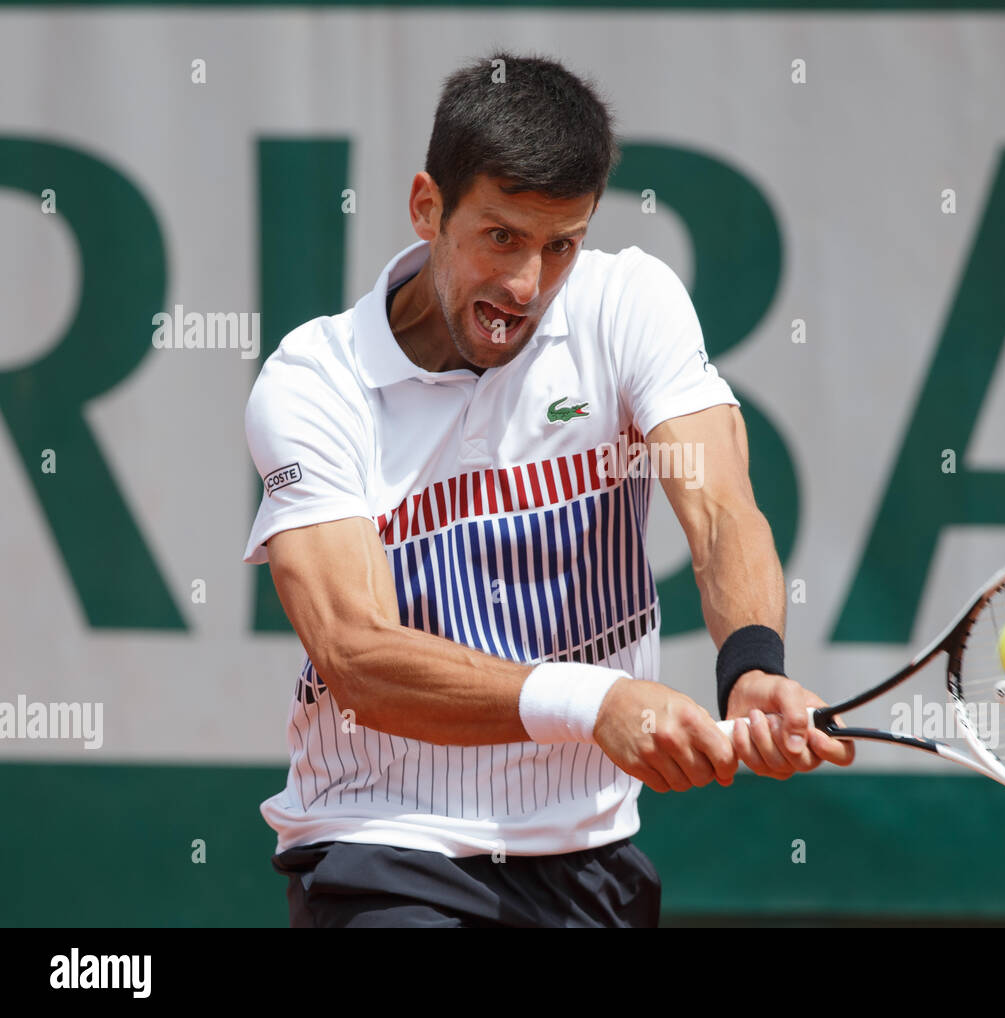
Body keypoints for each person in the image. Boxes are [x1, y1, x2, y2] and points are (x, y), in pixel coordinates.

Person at [242, 50, 853, 929]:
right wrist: (593, 701)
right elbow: (359, 659)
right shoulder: (313, 384)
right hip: (386, 845)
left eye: (559, 244)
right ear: (427, 208)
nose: (524, 287)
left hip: (589, 860)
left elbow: (718, 503)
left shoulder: (627, 304)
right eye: (501, 237)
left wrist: (752, 664)